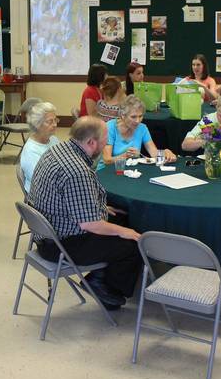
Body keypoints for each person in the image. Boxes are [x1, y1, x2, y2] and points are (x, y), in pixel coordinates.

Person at [28, 117, 142, 310]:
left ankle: (99, 276)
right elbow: (90, 225)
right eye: (106, 139)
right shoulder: (77, 171)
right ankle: (105, 289)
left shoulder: (59, 149)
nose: (107, 143)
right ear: (91, 142)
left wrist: (99, 207)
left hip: (47, 233)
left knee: (120, 216)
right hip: (62, 245)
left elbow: (68, 198)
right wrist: (125, 233)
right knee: (133, 243)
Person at [100, 95, 175, 170]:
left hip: (132, 170)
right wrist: (126, 155)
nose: (138, 121)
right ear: (123, 115)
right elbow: (107, 160)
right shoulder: (110, 127)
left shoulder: (142, 128)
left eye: (140, 116)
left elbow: (153, 153)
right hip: (109, 170)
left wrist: (165, 153)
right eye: (133, 117)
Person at [19, 101, 59, 187]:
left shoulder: (53, 139)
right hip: (41, 194)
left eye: (55, 120)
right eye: (50, 121)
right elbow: (41, 181)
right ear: (37, 124)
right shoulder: (30, 151)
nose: (55, 124)